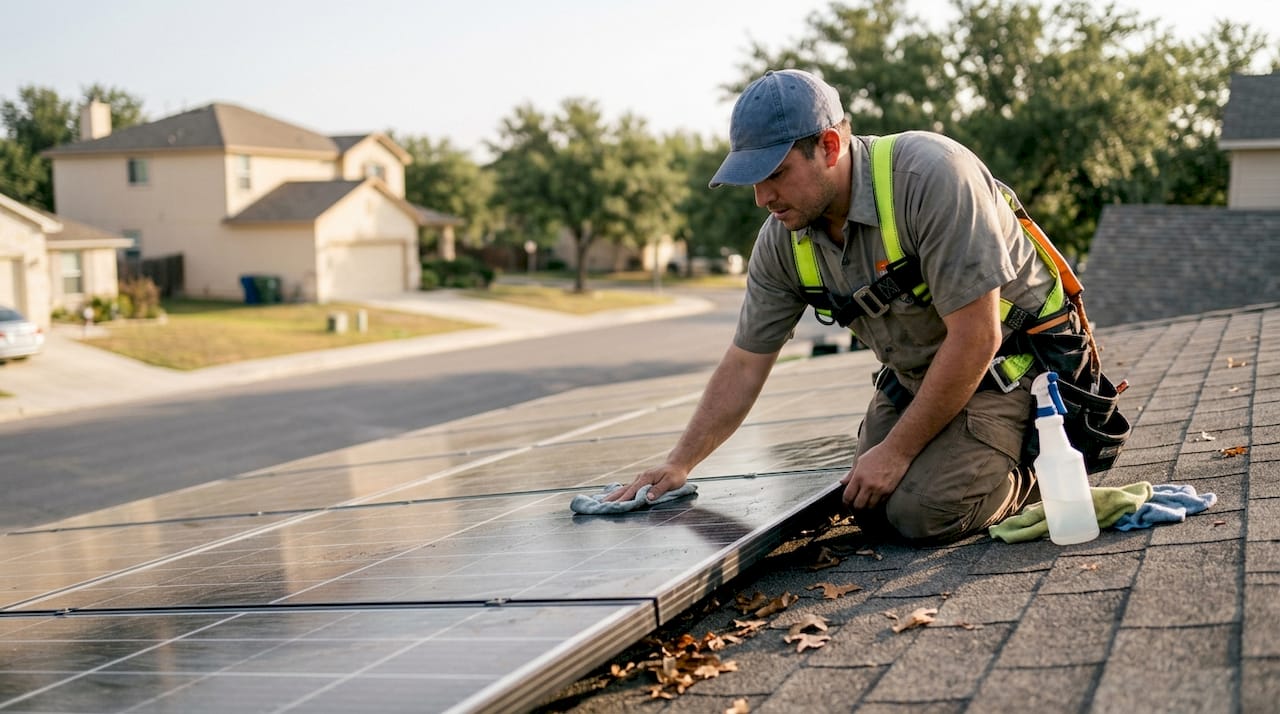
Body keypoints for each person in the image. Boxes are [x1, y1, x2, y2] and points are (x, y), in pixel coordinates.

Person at [605, 68, 1062, 544]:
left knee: (921, 512)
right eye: (752, 181)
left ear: (828, 145)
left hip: (1010, 372)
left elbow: (977, 336)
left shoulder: (931, 176)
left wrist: (897, 452)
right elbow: (745, 363)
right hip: (917, 381)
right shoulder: (785, 239)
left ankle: (1043, 463)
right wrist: (679, 462)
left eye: (775, 174)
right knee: (866, 506)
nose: (763, 199)